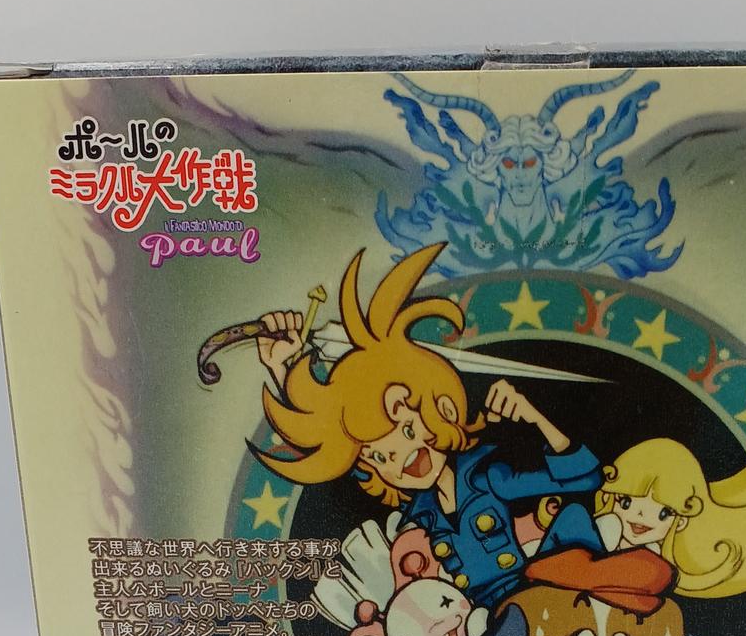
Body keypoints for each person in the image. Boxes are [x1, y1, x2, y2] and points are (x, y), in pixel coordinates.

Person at [254, 242, 602, 608]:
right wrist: (284, 368)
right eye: (380, 457)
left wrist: (535, 417)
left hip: (533, 601)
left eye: (407, 431)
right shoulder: (422, 509)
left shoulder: (488, 477)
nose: (401, 458)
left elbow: (585, 479)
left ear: (438, 409)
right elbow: (331, 445)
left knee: (574, 518)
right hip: (481, 620)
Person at [594, 321, 746, 599]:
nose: (640, 517)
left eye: (664, 512)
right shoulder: (598, 537)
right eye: (626, 502)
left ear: (682, 520)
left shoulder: (656, 566)